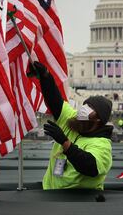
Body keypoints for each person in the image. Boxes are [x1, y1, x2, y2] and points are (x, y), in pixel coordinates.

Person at [28, 61, 113, 190]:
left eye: (91, 107)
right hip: (51, 193)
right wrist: (45, 76)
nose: (84, 108)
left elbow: (90, 167)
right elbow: (54, 99)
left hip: (79, 202)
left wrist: (65, 143)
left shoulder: (102, 144)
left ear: (98, 119)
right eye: (86, 104)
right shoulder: (72, 120)